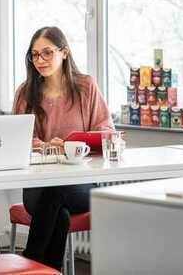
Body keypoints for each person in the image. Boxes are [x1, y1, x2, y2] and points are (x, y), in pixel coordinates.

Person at [12, 26, 114, 270]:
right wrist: (47, 146)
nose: (40, 60)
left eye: (47, 53)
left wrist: (74, 144)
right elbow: (20, 140)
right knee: (59, 213)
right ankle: (45, 269)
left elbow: (106, 132)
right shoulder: (26, 93)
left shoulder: (86, 87)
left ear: (64, 52)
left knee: (57, 195)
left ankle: (30, 263)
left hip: (80, 184)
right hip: (38, 185)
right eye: (35, 55)